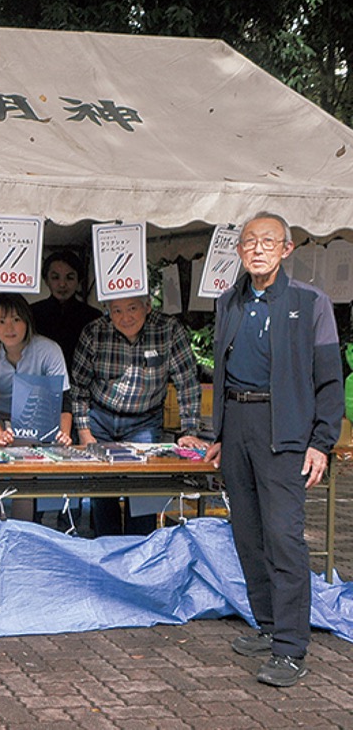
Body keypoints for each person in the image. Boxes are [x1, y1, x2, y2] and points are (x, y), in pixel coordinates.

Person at [204, 212, 342, 688]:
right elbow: (222, 373)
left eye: (268, 241)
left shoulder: (311, 302)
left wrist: (321, 443)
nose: (257, 249)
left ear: (287, 250)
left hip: (284, 428)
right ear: (238, 252)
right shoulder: (228, 302)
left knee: (283, 537)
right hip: (237, 425)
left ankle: (290, 647)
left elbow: (329, 380)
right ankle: (267, 625)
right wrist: (217, 433)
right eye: (249, 242)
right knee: (247, 533)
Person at [71, 295, 208, 535]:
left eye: (132, 308)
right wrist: (84, 431)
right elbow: (79, 386)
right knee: (102, 494)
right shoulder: (93, 331)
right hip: (100, 418)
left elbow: (187, 383)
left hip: (144, 420)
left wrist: (189, 432)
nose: (125, 317)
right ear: (107, 311)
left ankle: (142, 554)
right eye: (117, 310)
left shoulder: (169, 329)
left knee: (144, 492)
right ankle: (108, 552)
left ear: (147, 305)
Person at [0, 294, 72, 521]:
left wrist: (63, 432)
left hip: (30, 411)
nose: (9, 328)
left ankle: (22, 534)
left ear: (27, 321)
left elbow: (63, 397)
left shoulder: (48, 349)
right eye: (1, 321)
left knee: (24, 471)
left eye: (16, 319)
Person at [29, 251, 102, 379]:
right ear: (46, 280)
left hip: (81, 386)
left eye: (70, 277)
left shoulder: (93, 317)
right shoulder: (31, 313)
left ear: (79, 280)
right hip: (41, 384)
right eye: (55, 277)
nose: (62, 284)